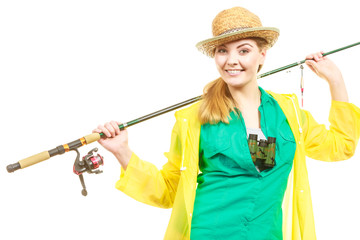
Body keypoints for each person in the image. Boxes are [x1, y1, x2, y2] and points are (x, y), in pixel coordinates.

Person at [93, 7, 360, 240]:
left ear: (262, 56)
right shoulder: (193, 119)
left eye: (244, 50)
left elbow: (341, 146)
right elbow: (169, 190)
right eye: (223, 51)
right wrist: (122, 151)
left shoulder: (288, 112)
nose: (231, 60)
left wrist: (335, 81)